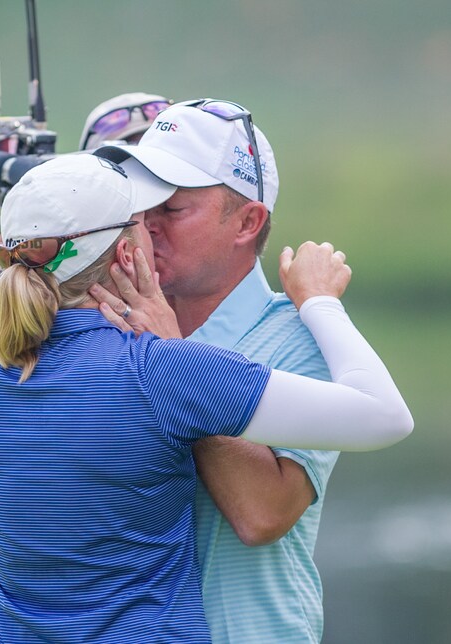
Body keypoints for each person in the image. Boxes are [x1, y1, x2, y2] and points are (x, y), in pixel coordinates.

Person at [0, 153, 412, 642]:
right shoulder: (160, 368)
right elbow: (386, 416)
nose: (156, 231)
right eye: (143, 222)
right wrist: (320, 302)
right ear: (127, 254)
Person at [93, 98, 354, 642]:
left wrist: (173, 361)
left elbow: (263, 514)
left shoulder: (302, 336)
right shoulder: (105, 323)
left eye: (173, 207)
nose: (146, 225)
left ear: (247, 222)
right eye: (142, 204)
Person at [0, 92, 171, 644]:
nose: (148, 222)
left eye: (163, 200)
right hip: (14, 622)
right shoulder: (17, 314)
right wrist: (3, 307)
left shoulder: (192, 338)